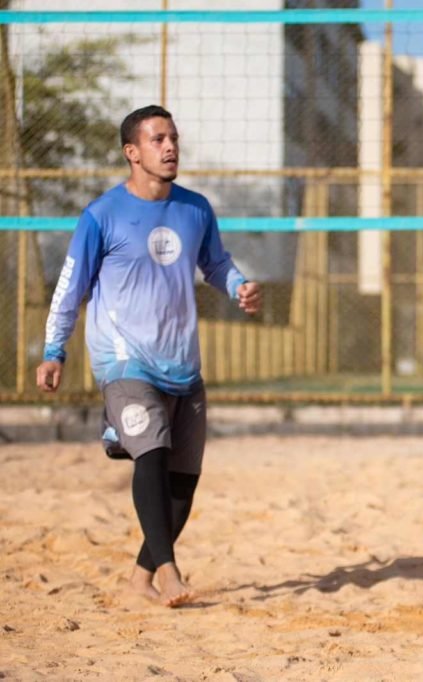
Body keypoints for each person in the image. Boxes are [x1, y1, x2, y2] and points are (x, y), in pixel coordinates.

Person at [36, 105, 262, 607]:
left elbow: (216, 264)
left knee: (183, 483)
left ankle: (139, 578)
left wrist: (239, 286)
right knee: (153, 456)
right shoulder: (101, 216)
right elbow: (70, 290)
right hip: (124, 362)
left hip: (183, 364)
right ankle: (169, 573)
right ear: (132, 152)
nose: (170, 147)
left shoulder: (196, 208)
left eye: (174, 137)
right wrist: (54, 352)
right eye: (158, 139)